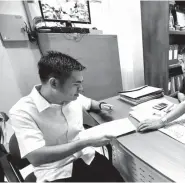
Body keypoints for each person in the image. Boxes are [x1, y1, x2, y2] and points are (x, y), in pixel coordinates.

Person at [9, 51, 124, 182]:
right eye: (76, 84)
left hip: (86, 157)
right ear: (54, 83)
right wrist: (87, 142)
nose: (81, 89)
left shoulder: (72, 97)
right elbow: (36, 156)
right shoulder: (22, 111)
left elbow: (90, 103)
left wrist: (101, 105)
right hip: (55, 170)